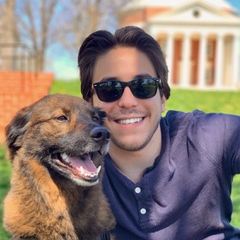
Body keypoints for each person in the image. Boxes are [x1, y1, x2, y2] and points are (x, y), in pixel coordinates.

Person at [77, 26, 240, 240]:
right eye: (110, 88)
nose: (127, 101)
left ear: (162, 97)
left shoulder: (208, 137)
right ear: (90, 103)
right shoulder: (74, 169)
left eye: (143, 86)